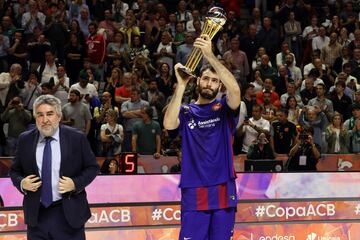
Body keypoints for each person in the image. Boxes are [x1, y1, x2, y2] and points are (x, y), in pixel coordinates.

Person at [163, 34, 241, 240]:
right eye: (206, 78)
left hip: (223, 188)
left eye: (215, 81)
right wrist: (180, 85)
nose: (209, 83)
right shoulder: (186, 110)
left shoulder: (224, 108)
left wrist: (210, 55)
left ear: (219, 86)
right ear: (198, 81)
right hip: (194, 189)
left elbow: (235, 90)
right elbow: (169, 125)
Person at [9, 94, 99, 239]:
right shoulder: (25, 139)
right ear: (35, 117)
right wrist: (21, 183)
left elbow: (92, 168)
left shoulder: (77, 138)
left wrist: (75, 184)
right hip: (36, 215)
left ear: (58, 116)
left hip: (69, 214)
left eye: (50, 114)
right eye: (40, 115)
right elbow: (14, 171)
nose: (45, 120)